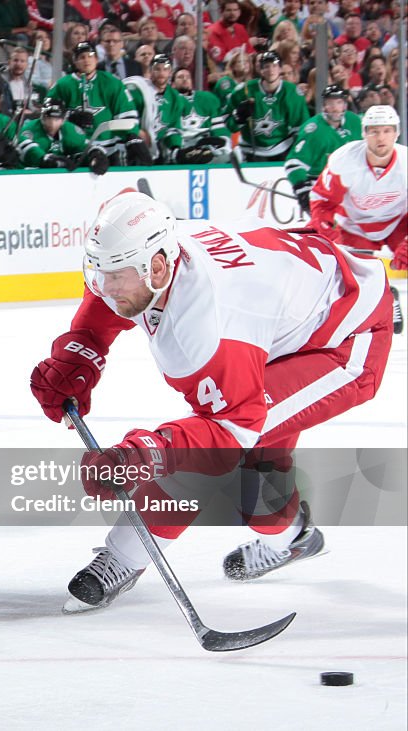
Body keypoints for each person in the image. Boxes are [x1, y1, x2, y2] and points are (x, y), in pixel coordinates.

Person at [30, 191, 394, 612]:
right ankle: (294, 537)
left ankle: (125, 555)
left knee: (200, 454)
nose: (106, 288)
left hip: (345, 339)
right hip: (292, 307)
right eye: (101, 273)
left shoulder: (204, 329)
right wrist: (81, 347)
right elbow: (122, 234)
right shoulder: (158, 244)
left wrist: (146, 452)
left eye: (119, 276)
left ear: (159, 267)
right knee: (255, 480)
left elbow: (229, 430)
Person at [310, 105, 406, 260]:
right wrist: (323, 226)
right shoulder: (344, 159)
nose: (381, 138)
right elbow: (323, 201)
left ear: (396, 133)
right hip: (355, 226)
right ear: (364, 133)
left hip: (398, 223)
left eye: (387, 131)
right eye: (374, 131)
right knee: (355, 270)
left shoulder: (406, 162)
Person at [45, 42, 148, 167]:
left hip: (110, 148)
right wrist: (69, 118)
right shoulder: (62, 85)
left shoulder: (112, 82)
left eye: (90, 56)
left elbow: (126, 113)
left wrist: (131, 136)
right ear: (75, 61)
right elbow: (47, 116)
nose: (86, 60)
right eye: (82, 57)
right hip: (76, 149)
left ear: (96, 59)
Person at [285, 85, 361, 215]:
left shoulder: (354, 121)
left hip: (350, 188)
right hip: (322, 188)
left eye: (339, 103)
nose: (335, 108)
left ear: (344, 105)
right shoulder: (313, 130)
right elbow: (293, 164)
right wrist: (303, 192)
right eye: (330, 103)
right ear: (324, 106)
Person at [224, 50, 309, 161]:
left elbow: (302, 128)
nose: (271, 70)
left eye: (274, 66)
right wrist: (238, 117)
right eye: (267, 66)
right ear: (261, 70)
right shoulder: (243, 91)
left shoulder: (292, 93)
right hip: (250, 149)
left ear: (280, 68)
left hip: (282, 148)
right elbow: (228, 124)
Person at [15, 97, 108, 173]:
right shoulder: (29, 130)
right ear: (42, 117)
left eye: (57, 119)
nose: (52, 124)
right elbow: (28, 153)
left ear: (63, 120)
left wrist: (96, 154)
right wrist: (48, 160)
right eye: (49, 118)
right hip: (28, 175)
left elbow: (86, 146)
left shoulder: (70, 130)